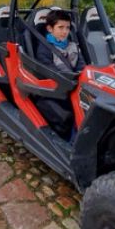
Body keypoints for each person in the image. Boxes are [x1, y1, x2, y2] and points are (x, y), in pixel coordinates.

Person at [34, 10, 83, 139]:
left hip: (75, 84)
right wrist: (69, 80)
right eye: (60, 27)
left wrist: (80, 76)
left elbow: (81, 64)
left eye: (67, 28)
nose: (65, 31)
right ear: (50, 29)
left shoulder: (73, 46)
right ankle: (72, 138)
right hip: (58, 88)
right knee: (69, 114)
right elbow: (49, 70)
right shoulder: (44, 48)